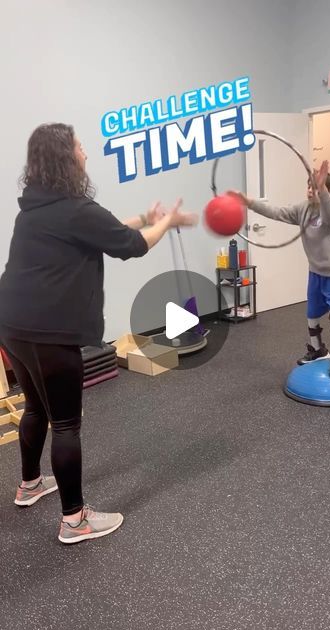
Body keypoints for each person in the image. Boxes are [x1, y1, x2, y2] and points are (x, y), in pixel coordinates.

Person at [0, 123, 198, 544]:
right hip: (48, 332)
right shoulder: (74, 209)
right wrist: (167, 223)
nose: (86, 153)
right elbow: (132, 245)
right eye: (80, 147)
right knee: (66, 423)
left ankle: (30, 484)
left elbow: (103, 234)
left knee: (36, 408)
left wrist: (147, 217)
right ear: (65, 158)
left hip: (11, 325)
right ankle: (75, 520)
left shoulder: (35, 209)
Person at [229, 160, 330, 378]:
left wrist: (321, 189)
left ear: (328, 191)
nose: (309, 190)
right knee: (312, 315)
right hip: (316, 273)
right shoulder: (302, 209)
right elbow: (276, 212)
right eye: (308, 185)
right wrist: (248, 202)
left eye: (314, 187)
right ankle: (318, 350)